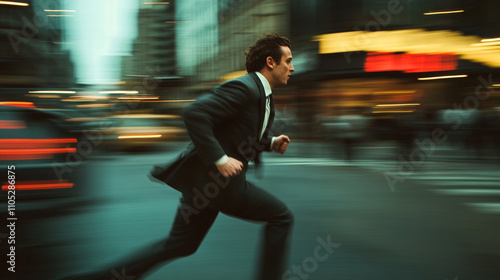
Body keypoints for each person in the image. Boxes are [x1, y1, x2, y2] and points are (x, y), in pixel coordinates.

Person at [60, 33, 295, 280]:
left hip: (203, 186)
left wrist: (270, 142)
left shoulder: (261, 94)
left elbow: (237, 133)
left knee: (180, 245)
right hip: (222, 185)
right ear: (270, 62)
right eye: (288, 60)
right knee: (281, 216)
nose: (292, 67)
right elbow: (195, 113)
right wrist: (220, 160)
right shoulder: (245, 88)